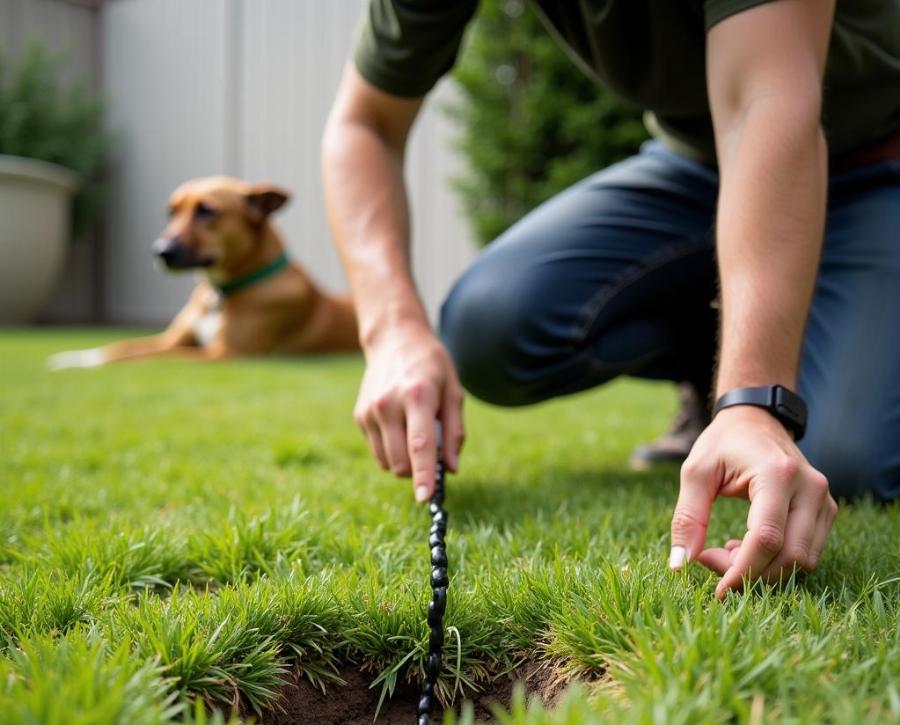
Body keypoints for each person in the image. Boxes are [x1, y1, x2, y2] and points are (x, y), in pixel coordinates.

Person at [322, 0, 900, 599]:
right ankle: (709, 369)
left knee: (845, 459)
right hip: (693, 169)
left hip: (871, 162)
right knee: (488, 325)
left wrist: (757, 401)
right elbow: (363, 123)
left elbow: (766, 100)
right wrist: (390, 329)